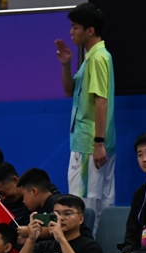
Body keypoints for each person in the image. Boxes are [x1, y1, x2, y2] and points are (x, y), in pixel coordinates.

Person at [56, 2, 115, 219]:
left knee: (83, 208)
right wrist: (65, 65)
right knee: (98, 206)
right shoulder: (91, 58)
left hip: (89, 145)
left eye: (75, 27)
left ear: (90, 30)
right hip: (92, 144)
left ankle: (88, 252)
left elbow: (102, 101)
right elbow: (70, 91)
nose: (71, 32)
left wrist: (98, 142)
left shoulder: (98, 58)